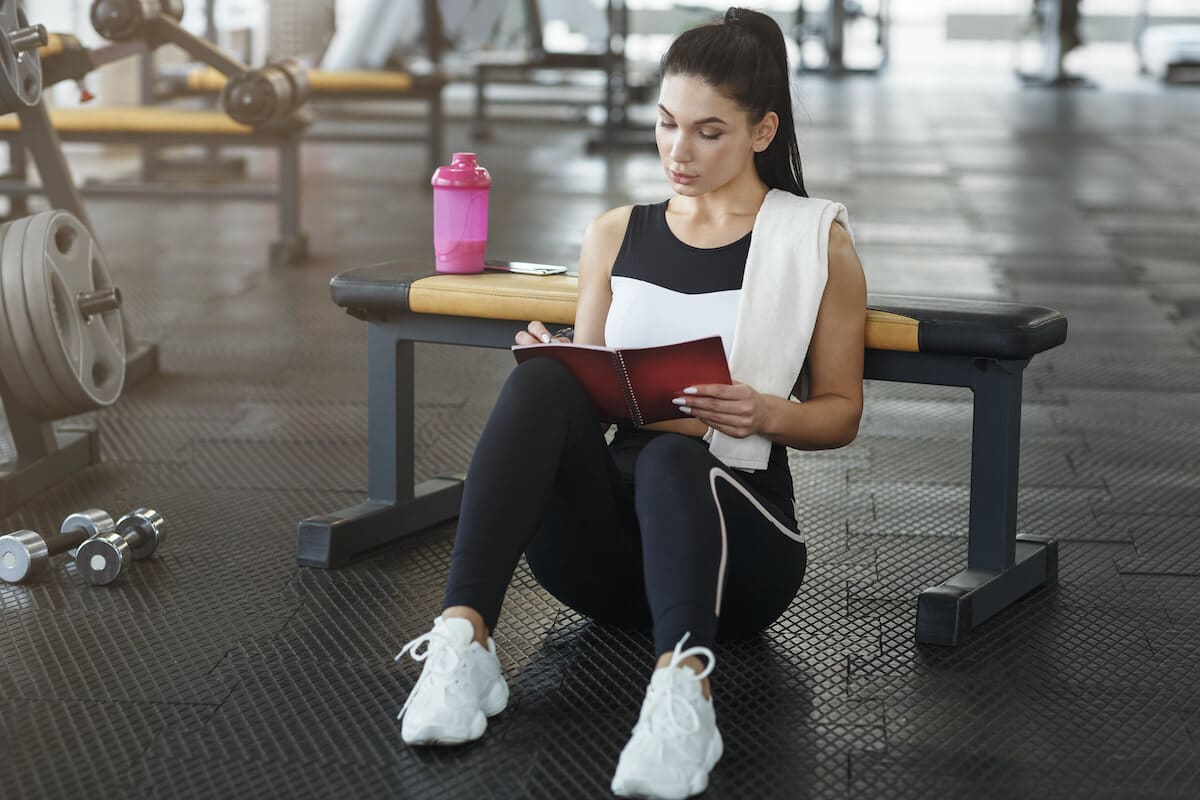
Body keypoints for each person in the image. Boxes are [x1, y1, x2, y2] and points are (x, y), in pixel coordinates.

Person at [392, 7, 866, 799]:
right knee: (543, 376)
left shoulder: (816, 242)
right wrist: (567, 369)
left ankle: (685, 693)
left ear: (761, 131)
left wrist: (764, 412)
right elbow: (596, 386)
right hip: (604, 564)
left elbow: (842, 411)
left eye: (709, 131)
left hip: (739, 558)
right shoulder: (616, 233)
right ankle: (463, 642)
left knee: (676, 457)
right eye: (666, 123)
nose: (678, 151)